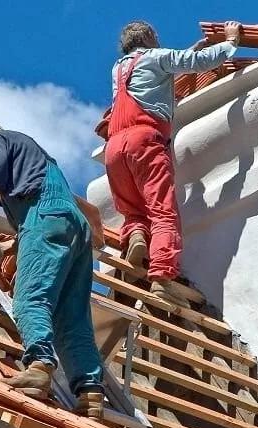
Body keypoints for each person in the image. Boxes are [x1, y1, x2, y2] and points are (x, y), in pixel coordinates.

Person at [0, 125, 104, 419]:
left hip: (48, 221)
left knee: (30, 298)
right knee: (72, 318)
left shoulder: (0, 140)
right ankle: (90, 394)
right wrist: (2, 251)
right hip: (74, 231)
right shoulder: (38, 164)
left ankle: (39, 368)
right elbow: (51, 221)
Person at [104, 20, 242, 308]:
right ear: (151, 38)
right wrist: (230, 42)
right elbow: (197, 62)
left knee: (133, 208)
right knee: (163, 211)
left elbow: (165, 70)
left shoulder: (119, 68)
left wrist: (192, 47)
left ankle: (138, 237)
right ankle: (162, 279)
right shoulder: (157, 56)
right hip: (145, 139)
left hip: (115, 147)